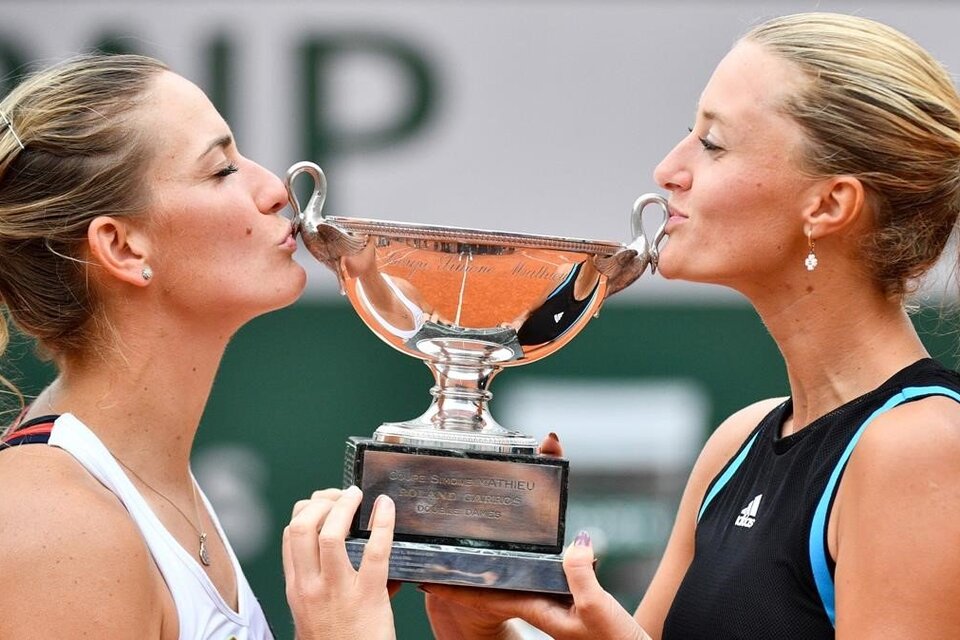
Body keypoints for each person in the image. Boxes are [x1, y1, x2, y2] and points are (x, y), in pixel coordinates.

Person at [306, 11, 960, 639]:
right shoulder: (736, 445)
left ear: (829, 204)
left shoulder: (921, 448)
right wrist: (484, 625)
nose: (669, 170)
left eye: (712, 143)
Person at [0, 53, 395, 639]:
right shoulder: (54, 524)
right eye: (221, 170)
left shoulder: (152, 484)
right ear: (124, 248)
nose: (273, 188)